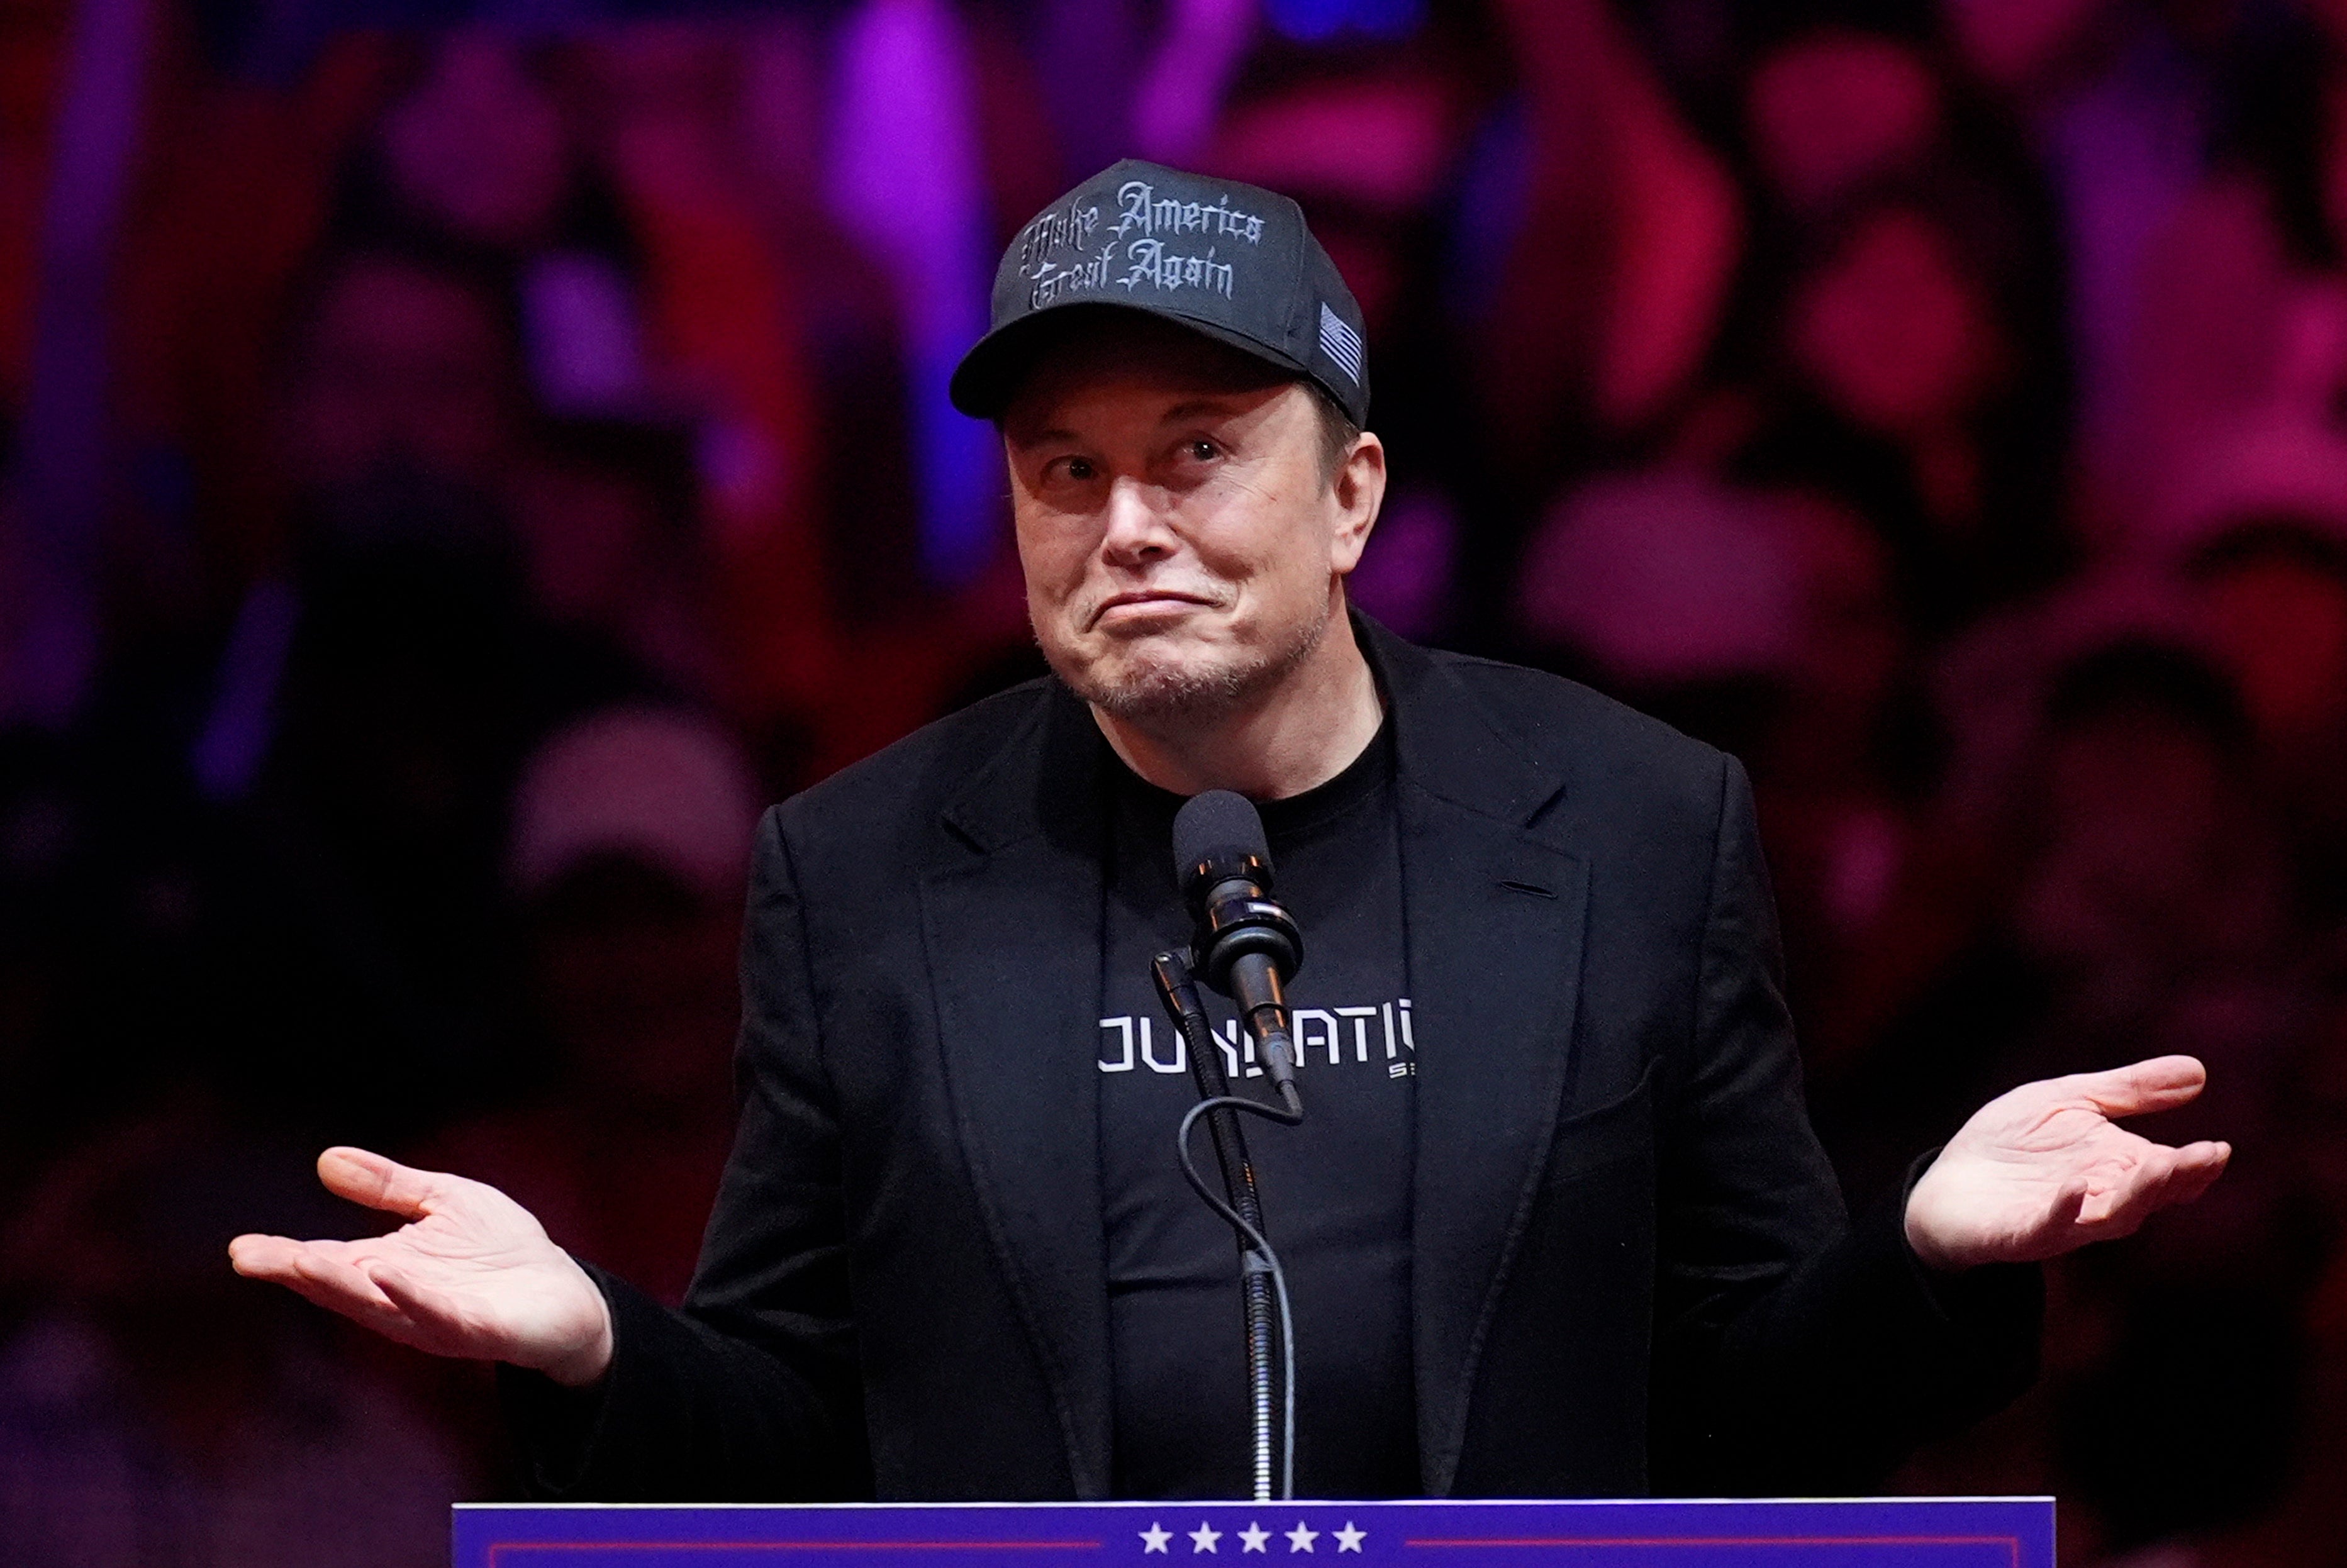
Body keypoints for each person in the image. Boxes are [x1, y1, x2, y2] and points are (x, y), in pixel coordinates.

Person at [230, 159, 2231, 1503]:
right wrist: (592, 1348)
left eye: (1199, 453)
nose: (1125, 526)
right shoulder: (857, 875)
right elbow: (797, 1438)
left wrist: (1930, 1258)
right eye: (1063, 468)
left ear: (1351, 493)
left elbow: (1755, 1406)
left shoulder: (1627, 822)